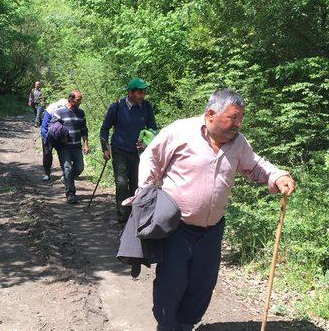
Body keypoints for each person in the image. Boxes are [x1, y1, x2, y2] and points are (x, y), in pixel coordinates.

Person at [137, 88, 296, 331]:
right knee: (172, 281)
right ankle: (167, 325)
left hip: (212, 229)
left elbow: (255, 166)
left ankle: (186, 324)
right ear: (211, 114)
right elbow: (151, 158)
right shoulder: (180, 131)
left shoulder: (238, 143)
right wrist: (146, 193)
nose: (238, 124)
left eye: (241, 118)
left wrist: (278, 176)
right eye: (233, 118)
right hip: (177, 227)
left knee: (203, 282)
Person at [100, 77, 157, 227]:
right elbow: (105, 128)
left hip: (139, 153)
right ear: (131, 93)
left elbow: (152, 129)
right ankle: (122, 216)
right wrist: (105, 148)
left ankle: (135, 213)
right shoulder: (117, 107)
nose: (143, 95)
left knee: (137, 183)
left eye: (144, 92)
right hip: (119, 150)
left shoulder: (146, 107)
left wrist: (145, 142)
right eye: (140, 92)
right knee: (121, 183)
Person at [50, 90, 90, 204]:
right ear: (70, 99)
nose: (80, 102)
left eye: (81, 100)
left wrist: (86, 144)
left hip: (77, 146)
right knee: (67, 168)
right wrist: (60, 136)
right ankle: (70, 194)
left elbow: (84, 130)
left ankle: (66, 179)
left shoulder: (81, 113)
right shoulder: (59, 112)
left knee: (80, 168)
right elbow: (52, 127)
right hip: (64, 147)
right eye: (78, 100)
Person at [40, 98, 67, 181]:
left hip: (61, 136)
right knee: (47, 154)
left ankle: (65, 173)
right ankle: (47, 173)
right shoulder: (50, 109)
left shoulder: (67, 110)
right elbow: (44, 126)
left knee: (63, 155)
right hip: (48, 135)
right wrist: (46, 139)